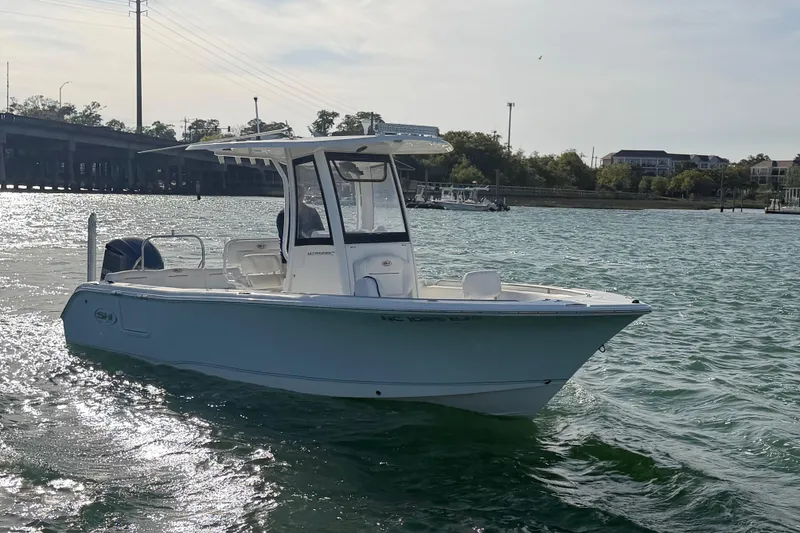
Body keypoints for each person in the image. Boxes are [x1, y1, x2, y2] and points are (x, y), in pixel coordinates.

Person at [276, 185, 325, 262]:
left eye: (299, 195)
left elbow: (321, 232)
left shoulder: (312, 212)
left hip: (311, 254)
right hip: (289, 256)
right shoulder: (282, 215)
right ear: (288, 196)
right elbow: (287, 238)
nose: (297, 198)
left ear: (303, 195)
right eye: (293, 195)